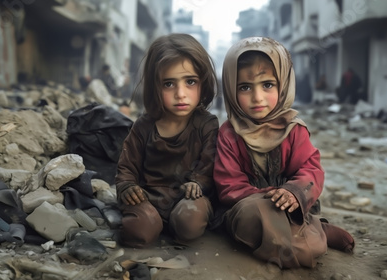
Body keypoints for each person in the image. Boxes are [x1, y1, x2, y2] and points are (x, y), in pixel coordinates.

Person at [214, 37, 355, 269]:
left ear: (284, 84)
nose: (257, 97)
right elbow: (229, 185)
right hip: (248, 205)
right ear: (230, 88)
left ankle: (305, 233)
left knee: (284, 220)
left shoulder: (293, 129)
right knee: (251, 217)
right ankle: (312, 232)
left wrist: (291, 193)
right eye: (245, 87)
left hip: (289, 205)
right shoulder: (229, 133)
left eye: (267, 85)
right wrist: (270, 196)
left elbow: (311, 170)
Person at [115, 33, 219, 248]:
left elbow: (209, 166)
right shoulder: (144, 126)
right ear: (155, 86)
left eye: (190, 82)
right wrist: (127, 187)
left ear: (203, 82)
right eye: (169, 84)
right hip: (148, 197)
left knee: (189, 223)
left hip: (188, 198)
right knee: (139, 232)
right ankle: (154, 223)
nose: (181, 94)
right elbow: (127, 165)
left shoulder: (206, 125)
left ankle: (176, 229)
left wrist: (197, 183)